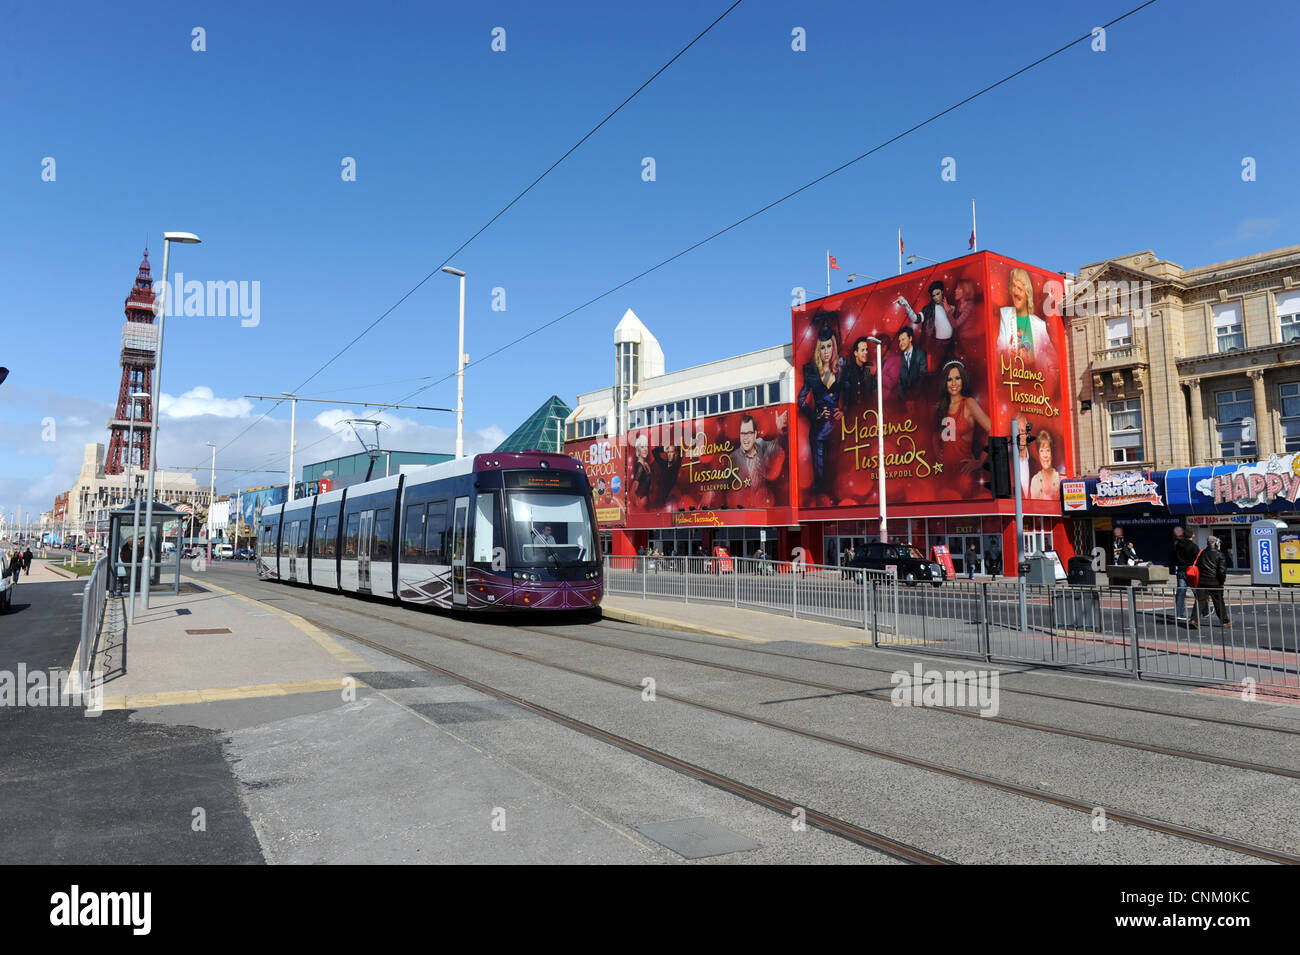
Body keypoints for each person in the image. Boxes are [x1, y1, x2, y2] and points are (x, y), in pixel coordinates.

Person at [797, 313, 844, 502]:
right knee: (822, 478)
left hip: (838, 430)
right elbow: (801, 400)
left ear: (834, 346)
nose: (826, 351)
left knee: (838, 474)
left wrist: (845, 409)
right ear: (818, 348)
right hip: (818, 433)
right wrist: (815, 412)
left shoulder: (841, 367)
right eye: (822, 347)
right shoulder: (812, 372)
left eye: (829, 346)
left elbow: (849, 392)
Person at [934, 361, 992, 497]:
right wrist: (938, 455)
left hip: (964, 474)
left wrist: (980, 461)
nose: (953, 383)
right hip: (944, 474)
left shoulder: (969, 403)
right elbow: (934, 435)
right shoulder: (942, 407)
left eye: (957, 378)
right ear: (945, 382)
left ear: (963, 379)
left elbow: (991, 428)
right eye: (949, 379)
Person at [731, 411, 788, 508]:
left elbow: (777, 447)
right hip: (742, 509)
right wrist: (711, 492)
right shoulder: (734, 457)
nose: (745, 438)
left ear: (755, 434)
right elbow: (723, 482)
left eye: (749, 433)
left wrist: (780, 431)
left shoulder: (762, 445)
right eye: (743, 434)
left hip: (764, 505)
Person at [897, 280, 955, 369]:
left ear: (942, 292)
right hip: (938, 346)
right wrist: (906, 305)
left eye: (938, 294)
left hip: (951, 344)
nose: (936, 297)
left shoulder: (951, 307)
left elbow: (956, 323)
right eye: (933, 295)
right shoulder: (928, 309)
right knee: (938, 370)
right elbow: (916, 319)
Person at [1189, 537, 1231, 629]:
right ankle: (1224, 621)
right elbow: (1222, 571)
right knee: (1219, 601)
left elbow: (1197, 567)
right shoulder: (1220, 555)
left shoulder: (1201, 553)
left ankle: (1194, 619)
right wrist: (1221, 582)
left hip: (1202, 581)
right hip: (1214, 582)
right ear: (1216, 544)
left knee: (1199, 601)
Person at [1170, 525, 1198, 621]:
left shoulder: (1177, 545)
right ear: (1192, 536)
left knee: (1181, 592)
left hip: (1181, 569)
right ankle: (1204, 610)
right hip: (1191, 570)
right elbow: (1198, 559)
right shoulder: (1193, 546)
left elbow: (1173, 557)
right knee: (1197, 591)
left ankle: (1179, 613)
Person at [841, 336, 878, 410]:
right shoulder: (848, 371)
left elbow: (875, 393)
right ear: (856, 353)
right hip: (853, 414)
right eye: (862, 350)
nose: (866, 352)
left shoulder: (870, 368)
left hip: (869, 412)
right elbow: (845, 396)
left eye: (866, 350)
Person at [1028, 430, 1062, 501]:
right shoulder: (1035, 480)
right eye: (1042, 451)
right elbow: (1034, 509)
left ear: (1052, 453)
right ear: (1038, 455)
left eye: (1047, 450)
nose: (1045, 455)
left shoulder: (1060, 480)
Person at [896, 326, 927, 401]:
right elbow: (899, 381)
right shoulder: (898, 358)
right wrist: (904, 400)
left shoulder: (921, 354)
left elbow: (922, 377)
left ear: (910, 339)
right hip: (903, 402)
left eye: (903, 339)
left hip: (919, 399)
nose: (901, 343)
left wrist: (913, 399)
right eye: (899, 341)